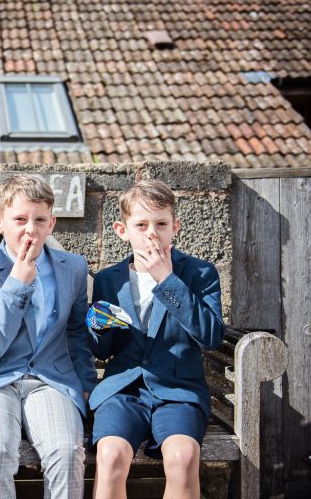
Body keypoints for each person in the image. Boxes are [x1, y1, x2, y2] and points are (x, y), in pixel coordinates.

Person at [88, 179, 225, 499]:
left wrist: (167, 280)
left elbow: (211, 337)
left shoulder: (200, 273)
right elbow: (102, 350)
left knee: (183, 457)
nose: (152, 232)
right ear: (123, 231)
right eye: (141, 224)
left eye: (161, 223)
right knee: (109, 457)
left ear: (175, 227)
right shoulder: (109, 279)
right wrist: (97, 325)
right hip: (124, 388)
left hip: (178, 389)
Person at [0, 174, 97, 499]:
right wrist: (16, 284)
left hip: (51, 379)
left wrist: (85, 385)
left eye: (39, 220)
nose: (30, 229)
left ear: (51, 223)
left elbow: (77, 333)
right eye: (20, 219)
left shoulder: (73, 268)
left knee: (67, 452)